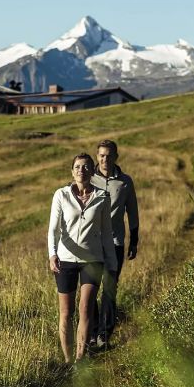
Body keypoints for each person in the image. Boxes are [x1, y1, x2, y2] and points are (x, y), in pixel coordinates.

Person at [48, 153, 118, 363]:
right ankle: (68, 361)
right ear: (72, 171)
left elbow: (107, 233)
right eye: (78, 167)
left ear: (92, 171)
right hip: (65, 259)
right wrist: (52, 254)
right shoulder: (61, 195)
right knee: (66, 312)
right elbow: (53, 229)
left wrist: (111, 265)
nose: (82, 170)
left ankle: (80, 359)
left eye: (86, 167)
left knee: (86, 308)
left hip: (92, 260)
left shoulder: (102, 197)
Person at [89, 139, 139, 349]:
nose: (105, 159)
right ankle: (91, 333)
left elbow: (133, 212)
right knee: (90, 288)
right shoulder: (88, 179)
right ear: (97, 156)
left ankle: (104, 334)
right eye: (101, 155)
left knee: (109, 289)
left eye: (109, 155)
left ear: (116, 157)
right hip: (91, 244)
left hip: (115, 243)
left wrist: (134, 241)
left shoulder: (125, 182)